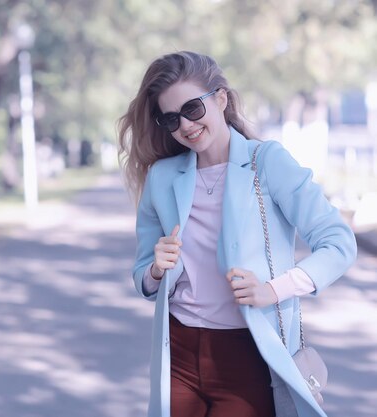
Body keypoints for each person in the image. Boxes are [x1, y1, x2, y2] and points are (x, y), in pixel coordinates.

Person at [117, 51, 357, 417]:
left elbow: (339, 242)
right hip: (178, 352)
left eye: (193, 109)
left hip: (247, 354)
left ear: (221, 98)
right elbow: (142, 274)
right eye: (171, 118)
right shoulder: (162, 178)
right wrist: (155, 270)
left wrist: (272, 289)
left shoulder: (267, 162)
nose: (185, 125)